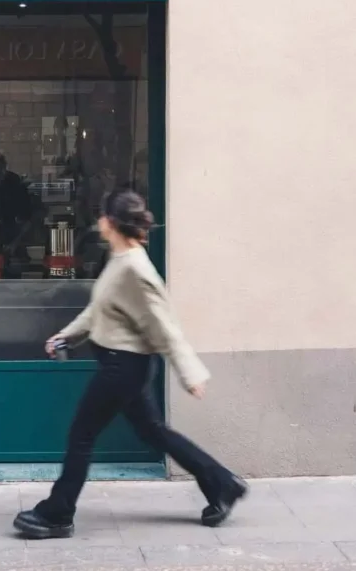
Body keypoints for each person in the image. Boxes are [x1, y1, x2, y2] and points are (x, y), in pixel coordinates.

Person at [13, 189, 247, 539]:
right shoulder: (120, 259)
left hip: (123, 367)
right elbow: (99, 311)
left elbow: (164, 324)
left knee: (81, 435)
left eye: (101, 217)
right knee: (153, 431)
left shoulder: (135, 269)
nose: (97, 222)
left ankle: (58, 513)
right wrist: (66, 336)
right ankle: (222, 484)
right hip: (123, 364)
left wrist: (190, 372)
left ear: (110, 222)